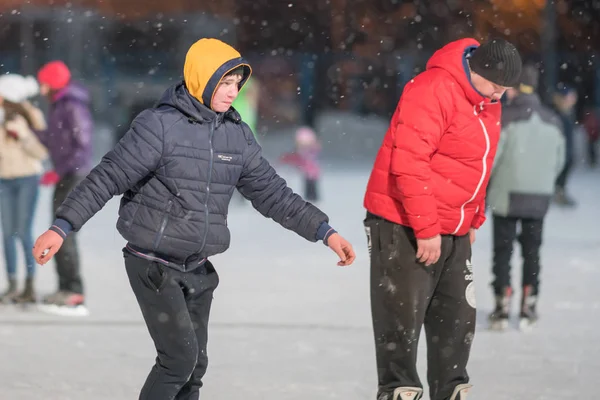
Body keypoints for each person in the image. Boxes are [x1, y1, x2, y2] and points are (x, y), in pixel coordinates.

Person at [32, 38, 355, 400]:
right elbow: (107, 177)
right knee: (178, 361)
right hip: (152, 263)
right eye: (225, 83)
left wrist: (324, 231)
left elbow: (273, 194)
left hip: (198, 267)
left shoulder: (237, 136)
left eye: (237, 84)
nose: (233, 92)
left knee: (195, 367)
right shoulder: (159, 126)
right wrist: (62, 226)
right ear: (202, 79)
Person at [363, 38, 522, 400]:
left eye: (504, 89)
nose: (499, 95)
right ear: (476, 71)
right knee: (401, 330)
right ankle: (399, 391)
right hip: (403, 223)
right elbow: (410, 162)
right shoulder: (432, 89)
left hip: (453, 226)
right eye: (495, 85)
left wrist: (473, 218)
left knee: (456, 325)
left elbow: (477, 164)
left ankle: (450, 392)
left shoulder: (486, 102)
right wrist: (426, 228)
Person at [486, 65, 565, 331]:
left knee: (503, 251)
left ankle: (502, 303)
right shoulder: (552, 120)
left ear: (515, 89)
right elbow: (559, 161)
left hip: (506, 195)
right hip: (538, 198)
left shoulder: (505, 118)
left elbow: (493, 158)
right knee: (532, 252)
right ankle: (529, 302)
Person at [34, 60, 94, 313]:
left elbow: (82, 144)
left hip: (73, 175)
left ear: (53, 82)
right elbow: (53, 139)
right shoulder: (59, 105)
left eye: (44, 82)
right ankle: (66, 288)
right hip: (66, 174)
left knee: (63, 233)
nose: (41, 87)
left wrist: (61, 171)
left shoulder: (71, 105)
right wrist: (28, 131)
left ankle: (73, 291)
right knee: (57, 230)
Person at [0, 74, 48, 304]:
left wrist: (24, 136)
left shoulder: (31, 115)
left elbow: (43, 152)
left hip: (27, 179)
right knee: (7, 233)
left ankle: (29, 284)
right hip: (4, 181)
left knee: (23, 231)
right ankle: (11, 284)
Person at [279, 126, 322, 201]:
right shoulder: (300, 152)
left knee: (311, 187)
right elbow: (292, 158)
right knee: (308, 186)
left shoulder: (311, 150)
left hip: (312, 173)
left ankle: (313, 198)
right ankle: (310, 198)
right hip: (307, 173)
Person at [552, 85, 578, 207]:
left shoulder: (567, 114)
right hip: (561, 152)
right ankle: (557, 194)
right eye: (570, 97)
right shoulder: (559, 115)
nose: (573, 99)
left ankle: (559, 193)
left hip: (567, 152)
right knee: (559, 175)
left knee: (563, 175)